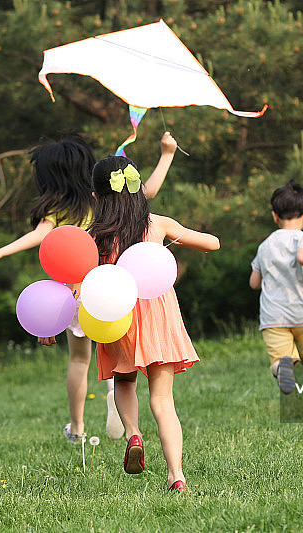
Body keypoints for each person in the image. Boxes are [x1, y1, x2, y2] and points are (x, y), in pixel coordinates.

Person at [0, 132, 179, 443]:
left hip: (74, 295)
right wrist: (166, 154)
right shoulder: (103, 201)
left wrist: (2, 250)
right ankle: (115, 393)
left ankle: (78, 427)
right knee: (118, 352)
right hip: (114, 290)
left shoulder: (59, 209)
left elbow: (40, 235)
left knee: (80, 360)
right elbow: (147, 191)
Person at [86, 155, 220, 493]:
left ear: (98, 198)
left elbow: (78, 282)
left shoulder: (95, 235)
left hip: (119, 316)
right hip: (158, 316)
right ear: (138, 191)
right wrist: (179, 236)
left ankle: (132, 432)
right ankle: (176, 475)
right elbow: (212, 243)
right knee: (163, 401)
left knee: (124, 381)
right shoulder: (156, 224)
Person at [248, 181, 303, 418]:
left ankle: (282, 367)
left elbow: (254, 283)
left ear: (274, 216)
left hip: (274, 316)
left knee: (279, 358)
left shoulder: (265, 246)